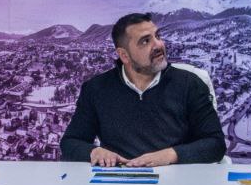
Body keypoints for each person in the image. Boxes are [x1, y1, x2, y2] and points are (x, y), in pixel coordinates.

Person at [59, 13, 226, 166]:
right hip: (119, 179)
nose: (158, 45)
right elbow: (70, 143)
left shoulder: (190, 84)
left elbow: (215, 144)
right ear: (124, 55)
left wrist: (170, 155)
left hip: (175, 178)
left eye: (157, 36)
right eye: (146, 41)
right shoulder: (96, 89)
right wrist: (94, 152)